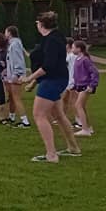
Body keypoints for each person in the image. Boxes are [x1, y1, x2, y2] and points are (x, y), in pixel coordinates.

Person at [19, 12, 82, 163]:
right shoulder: (55, 37)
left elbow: (48, 66)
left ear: (41, 24)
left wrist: (29, 78)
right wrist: (34, 82)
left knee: (39, 115)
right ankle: (73, 148)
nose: (36, 25)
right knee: (59, 115)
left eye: (37, 23)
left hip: (52, 81)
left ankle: (51, 155)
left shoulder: (51, 40)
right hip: (55, 80)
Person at [3, 26, 31, 128]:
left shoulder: (15, 44)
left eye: (6, 32)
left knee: (16, 98)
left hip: (16, 75)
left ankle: (25, 121)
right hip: (12, 74)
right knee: (11, 97)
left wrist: (16, 74)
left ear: (9, 33)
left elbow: (18, 60)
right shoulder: (13, 44)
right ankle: (12, 117)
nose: (5, 34)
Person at [72, 40, 100, 137]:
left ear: (79, 49)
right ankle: (88, 127)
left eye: (73, 47)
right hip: (80, 86)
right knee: (82, 106)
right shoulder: (77, 59)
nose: (72, 49)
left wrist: (92, 85)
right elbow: (78, 74)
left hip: (86, 86)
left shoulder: (85, 60)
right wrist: (75, 85)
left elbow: (95, 72)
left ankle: (85, 129)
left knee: (78, 105)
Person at [62, 37, 79, 127]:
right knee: (65, 99)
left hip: (73, 81)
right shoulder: (68, 55)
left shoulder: (72, 56)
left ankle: (79, 121)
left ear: (67, 45)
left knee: (74, 101)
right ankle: (62, 117)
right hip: (68, 81)